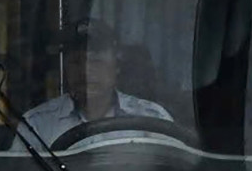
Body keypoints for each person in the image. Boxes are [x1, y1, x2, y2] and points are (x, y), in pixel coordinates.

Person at [19, 18, 173, 149]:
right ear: (65, 69)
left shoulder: (152, 120)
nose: (85, 72)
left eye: (96, 61)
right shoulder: (37, 126)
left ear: (116, 66)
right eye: (76, 62)